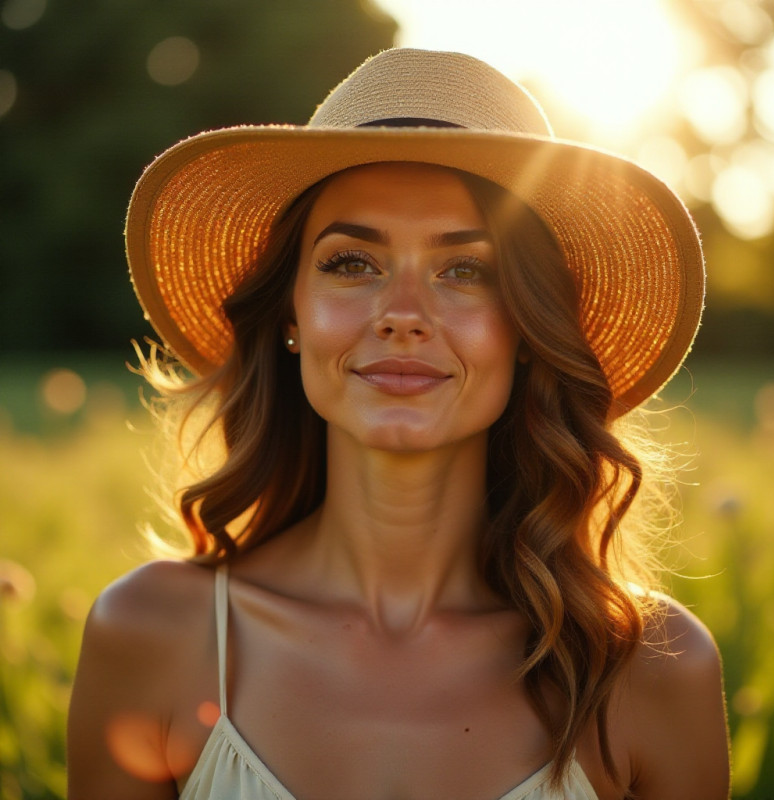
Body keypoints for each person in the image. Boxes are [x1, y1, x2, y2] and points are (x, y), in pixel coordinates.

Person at [67, 48, 730, 799]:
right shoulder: (152, 634)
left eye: (467, 270)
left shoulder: (651, 670)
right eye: (352, 263)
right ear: (291, 314)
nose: (403, 316)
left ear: (527, 331)